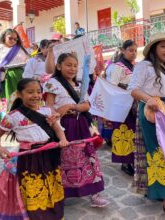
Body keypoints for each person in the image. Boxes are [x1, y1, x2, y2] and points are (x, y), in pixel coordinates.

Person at [129, 32, 165, 219]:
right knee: (161, 154)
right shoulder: (144, 66)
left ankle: (159, 190)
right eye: (162, 46)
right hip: (153, 112)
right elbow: (133, 89)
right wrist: (149, 99)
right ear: (153, 49)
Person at [0, 78, 68, 219]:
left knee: (51, 185)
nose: (36, 95)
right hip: (29, 159)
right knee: (34, 188)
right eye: (30, 92)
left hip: (49, 155)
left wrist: (63, 139)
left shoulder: (47, 111)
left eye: (39, 92)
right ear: (19, 94)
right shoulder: (13, 117)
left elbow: (57, 129)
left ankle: (55, 215)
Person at [44, 53, 108, 207]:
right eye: (68, 65)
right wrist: (58, 113)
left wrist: (70, 106)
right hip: (63, 127)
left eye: (75, 65)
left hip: (81, 125)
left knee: (88, 157)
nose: (72, 68)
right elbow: (48, 107)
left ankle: (95, 192)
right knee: (65, 159)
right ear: (59, 66)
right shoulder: (53, 83)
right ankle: (62, 193)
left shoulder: (80, 85)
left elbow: (86, 105)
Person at [103, 40, 138, 176]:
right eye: (130, 50)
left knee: (133, 132)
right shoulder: (118, 66)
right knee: (124, 132)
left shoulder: (134, 66)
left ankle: (132, 160)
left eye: (135, 51)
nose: (133, 53)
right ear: (123, 51)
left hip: (134, 104)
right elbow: (112, 86)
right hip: (123, 105)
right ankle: (125, 162)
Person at [0, 28, 29, 125]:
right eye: (10, 38)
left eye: (15, 39)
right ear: (4, 37)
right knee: (4, 98)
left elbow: (27, 61)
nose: (13, 41)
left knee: (17, 97)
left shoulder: (19, 49)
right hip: (1, 77)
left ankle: (19, 120)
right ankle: (4, 121)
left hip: (17, 76)